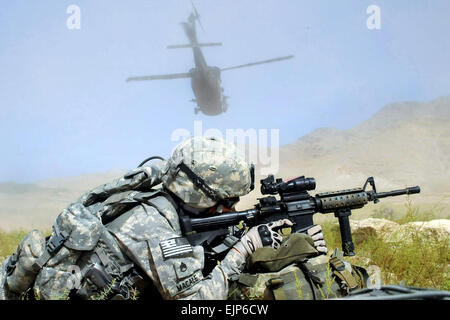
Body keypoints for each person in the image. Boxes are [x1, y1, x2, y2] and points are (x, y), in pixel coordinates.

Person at [0, 136, 330, 300]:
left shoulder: (161, 196)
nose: (231, 209)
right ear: (201, 195)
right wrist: (243, 251)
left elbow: (201, 244)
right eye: (227, 201)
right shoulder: (152, 226)